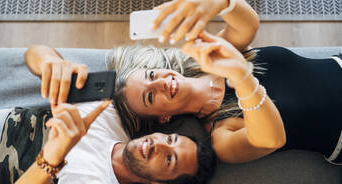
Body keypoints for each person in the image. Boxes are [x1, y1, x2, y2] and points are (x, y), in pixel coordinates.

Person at [0, 45, 216, 184]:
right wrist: (52, 62)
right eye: (170, 139)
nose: (158, 145)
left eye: (169, 159)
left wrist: (53, 156)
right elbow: (35, 52)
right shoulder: (109, 113)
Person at [111, 0, 342, 164]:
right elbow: (270, 140)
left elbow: (246, 26)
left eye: (151, 75)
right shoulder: (221, 136)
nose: (159, 83)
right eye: (150, 96)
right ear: (163, 118)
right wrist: (241, 78)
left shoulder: (207, 57)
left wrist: (221, 3)